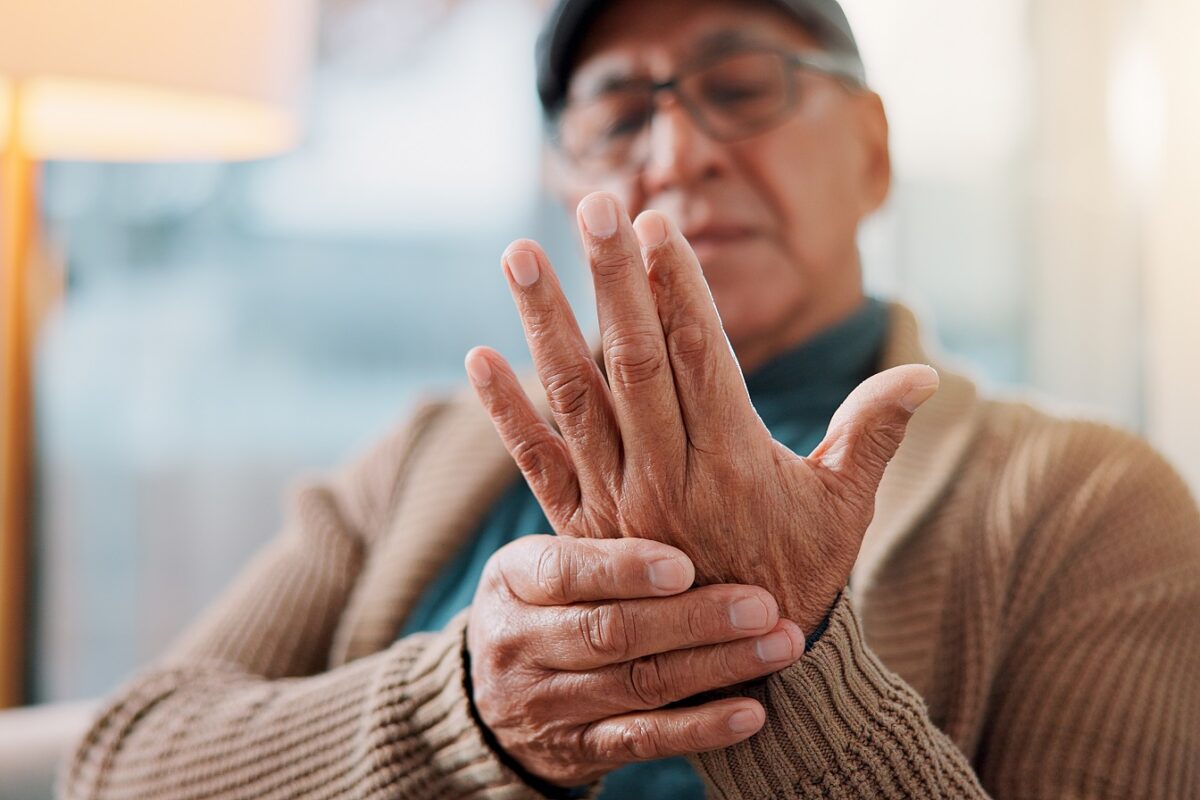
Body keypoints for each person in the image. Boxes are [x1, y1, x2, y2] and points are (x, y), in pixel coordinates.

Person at [64, 0, 1200, 798]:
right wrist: (470, 714)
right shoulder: (425, 457)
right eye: (618, 114)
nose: (678, 149)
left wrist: (786, 648)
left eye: (743, 86)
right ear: (568, 180)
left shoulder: (1086, 500)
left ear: (873, 150)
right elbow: (118, 764)